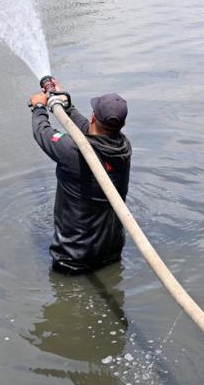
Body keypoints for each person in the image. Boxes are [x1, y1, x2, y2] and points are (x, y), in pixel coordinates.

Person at [29, 82, 132, 274]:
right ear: (122, 124)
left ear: (94, 116)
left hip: (71, 260)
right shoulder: (123, 148)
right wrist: (68, 107)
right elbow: (90, 130)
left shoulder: (70, 150)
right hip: (111, 254)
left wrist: (39, 107)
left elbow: (42, 131)